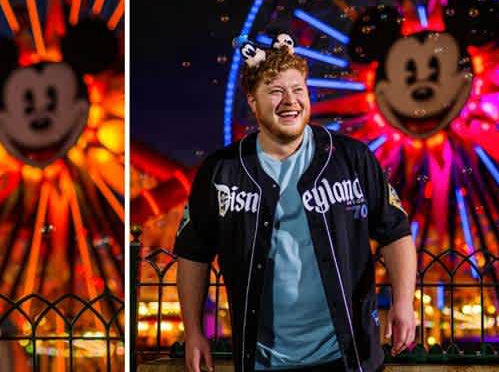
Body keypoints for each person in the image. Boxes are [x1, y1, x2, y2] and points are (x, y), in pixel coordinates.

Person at [174, 34, 416, 372]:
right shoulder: (222, 171)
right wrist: (194, 331)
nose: (290, 101)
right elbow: (192, 253)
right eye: (275, 91)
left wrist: (404, 303)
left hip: (348, 357)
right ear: (253, 102)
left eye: (298, 89)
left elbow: (396, 232)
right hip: (261, 361)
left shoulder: (352, 158)